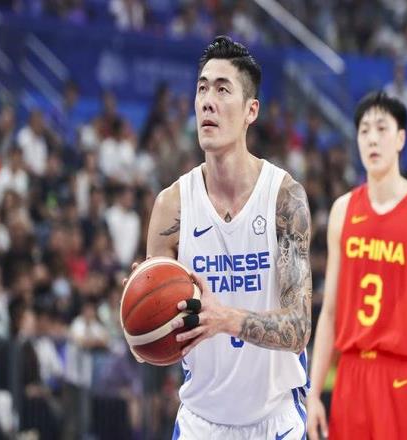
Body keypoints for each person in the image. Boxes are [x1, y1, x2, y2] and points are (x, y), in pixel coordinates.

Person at [131, 36, 312, 439]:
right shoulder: (171, 206)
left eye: (222, 89)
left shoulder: (284, 197)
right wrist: (142, 316)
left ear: (251, 111)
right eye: (202, 89)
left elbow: (298, 328)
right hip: (201, 422)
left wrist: (224, 320)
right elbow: (151, 348)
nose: (207, 102)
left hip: (276, 421)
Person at [307, 92, 407, 440]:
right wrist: (313, 391)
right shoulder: (342, 210)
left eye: (382, 128)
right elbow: (331, 312)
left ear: (400, 139)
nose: (372, 138)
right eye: (364, 130)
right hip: (350, 376)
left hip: (402, 376)